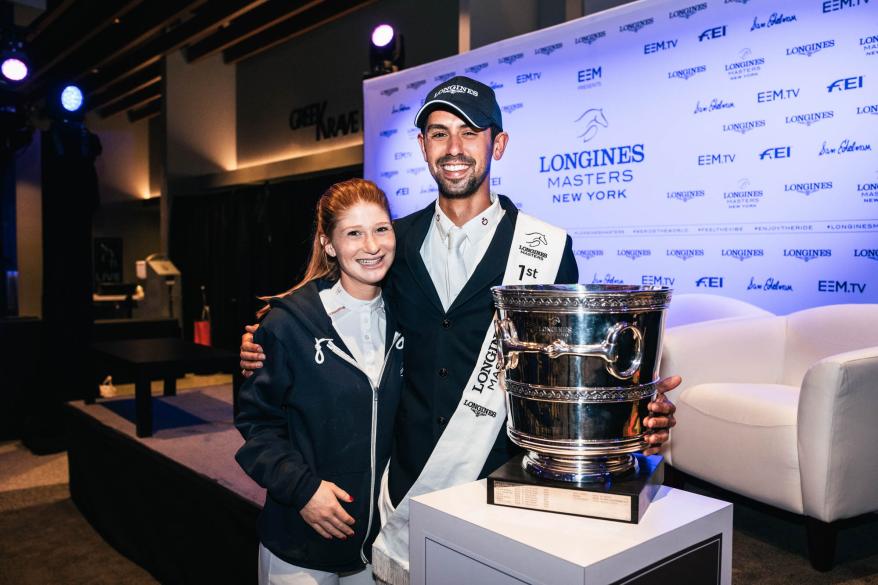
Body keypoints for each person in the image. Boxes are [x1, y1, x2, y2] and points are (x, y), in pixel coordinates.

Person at [240, 77, 679, 584]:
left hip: (496, 483)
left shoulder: (546, 249)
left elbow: (573, 366)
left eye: (470, 133)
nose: (454, 149)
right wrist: (263, 338)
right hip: (400, 484)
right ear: (423, 146)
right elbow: (329, 305)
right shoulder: (392, 242)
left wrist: (636, 410)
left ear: (500, 143)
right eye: (439, 133)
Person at [235, 179, 404, 585]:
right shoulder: (288, 324)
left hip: (379, 544)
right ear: (328, 244)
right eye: (353, 233)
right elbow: (257, 426)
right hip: (302, 540)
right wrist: (303, 489)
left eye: (381, 229)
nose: (372, 245)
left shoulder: (410, 318)